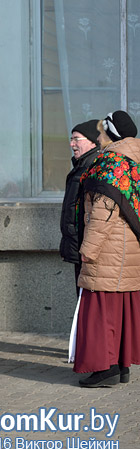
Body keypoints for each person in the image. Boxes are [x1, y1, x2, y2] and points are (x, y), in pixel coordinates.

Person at [71, 110, 140, 388]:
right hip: (130, 245)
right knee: (121, 308)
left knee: (100, 310)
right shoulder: (135, 159)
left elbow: (104, 210)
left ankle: (104, 366)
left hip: (110, 246)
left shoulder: (112, 162)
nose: (98, 136)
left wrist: (89, 248)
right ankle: (122, 366)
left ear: (111, 133)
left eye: (101, 131)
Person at [59, 120, 100, 289]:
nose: (71, 144)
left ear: (92, 142)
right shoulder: (81, 166)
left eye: (76, 139)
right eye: (71, 138)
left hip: (87, 251)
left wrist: (87, 248)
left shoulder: (93, 168)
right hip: (79, 247)